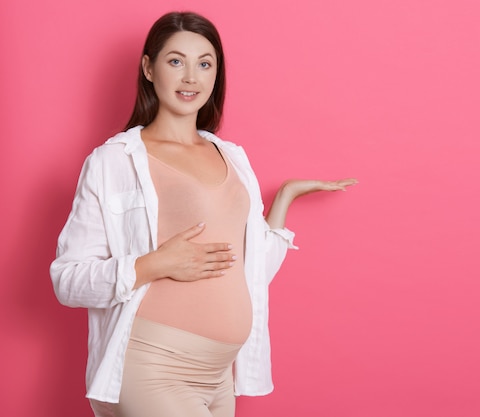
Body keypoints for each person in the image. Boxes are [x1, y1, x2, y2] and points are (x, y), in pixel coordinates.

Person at [50, 11, 357, 417]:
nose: (191, 77)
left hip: (219, 377)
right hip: (154, 368)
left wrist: (283, 200)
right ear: (148, 67)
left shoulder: (232, 157)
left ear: (216, 75)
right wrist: (153, 264)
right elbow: (67, 280)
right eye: (175, 61)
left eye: (205, 63)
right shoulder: (114, 162)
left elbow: (250, 273)